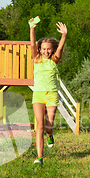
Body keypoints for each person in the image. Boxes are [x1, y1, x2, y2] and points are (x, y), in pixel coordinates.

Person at [29, 18, 67, 167]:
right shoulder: (36, 59)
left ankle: (50, 135)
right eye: (43, 49)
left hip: (51, 95)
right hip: (38, 95)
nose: (46, 51)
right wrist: (32, 29)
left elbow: (60, 49)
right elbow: (32, 43)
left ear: (52, 49)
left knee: (48, 126)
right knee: (39, 126)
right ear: (40, 49)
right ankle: (40, 157)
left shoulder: (54, 60)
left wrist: (64, 35)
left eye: (48, 49)